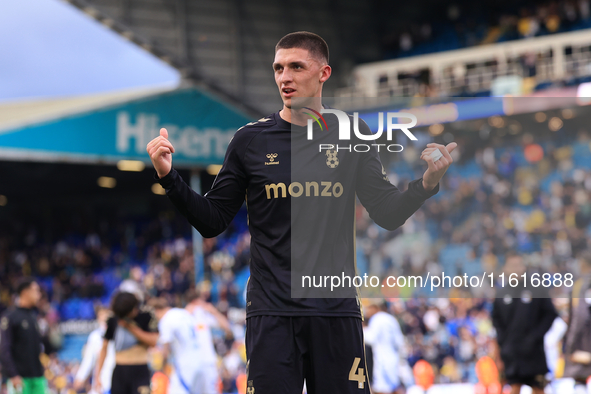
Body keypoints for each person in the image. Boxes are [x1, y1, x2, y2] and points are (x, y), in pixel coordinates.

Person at [147, 31, 455, 393]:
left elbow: (386, 212)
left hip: (335, 310)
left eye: (296, 67)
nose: (284, 77)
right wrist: (170, 178)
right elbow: (212, 220)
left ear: (323, 73)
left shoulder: (354, 135)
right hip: (272, 313)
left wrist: (428, 183)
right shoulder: (249, 141)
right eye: (278, 68)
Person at [492, 252, 558, 394]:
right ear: (505, 269)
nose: (516, 269)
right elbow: (496, 321)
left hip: (534, 352)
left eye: (519, 265)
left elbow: (550, 314)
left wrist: (536, 336)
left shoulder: (537, 288)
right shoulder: (501, 294)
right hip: (511, 354)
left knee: (538, 388)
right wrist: (503, 343)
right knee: (514, 387)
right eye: (512, 266)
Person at [150, 297, 219, 394]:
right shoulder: (183, 313)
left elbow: (165, 349)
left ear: (156, 311)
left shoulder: (166, 320)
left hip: (185, 365)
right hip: (201, 361)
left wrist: (162, 368)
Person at [94, 292, 158, 394]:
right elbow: (104, 348)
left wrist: (130, 327)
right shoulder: (113, 320)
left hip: (140, 369)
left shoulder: (145, 317)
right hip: (120, 371)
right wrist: (97, 376)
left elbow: (153, 341)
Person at [0, 278, 47, 394]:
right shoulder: (10, 317)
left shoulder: (33, 317)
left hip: (38, 377)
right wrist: (13, 374)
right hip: (20, 378)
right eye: (36, 291)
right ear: (25, 292)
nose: (39, 295)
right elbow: (5, 349)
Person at [363, 300, 405, 394]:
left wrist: (360, 331)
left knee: (382, 388)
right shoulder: (391, 319)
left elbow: (371, 338)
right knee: (394, 386)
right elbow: (399, 341)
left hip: (381, 357)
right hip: (393, 356)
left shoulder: (377, 318)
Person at [563, 251, 591, 393]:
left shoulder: (581, 285)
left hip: (584, 345)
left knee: (580, 379)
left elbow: (580, 317)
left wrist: (571, 345)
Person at [73, 305, 115, 394]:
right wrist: (80, 377)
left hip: (117, 379)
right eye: (101, 315)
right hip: (102, 380)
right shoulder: (95, 337)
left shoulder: (118, 334)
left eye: (106, 314)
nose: (104, 318)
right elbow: (89, 359)